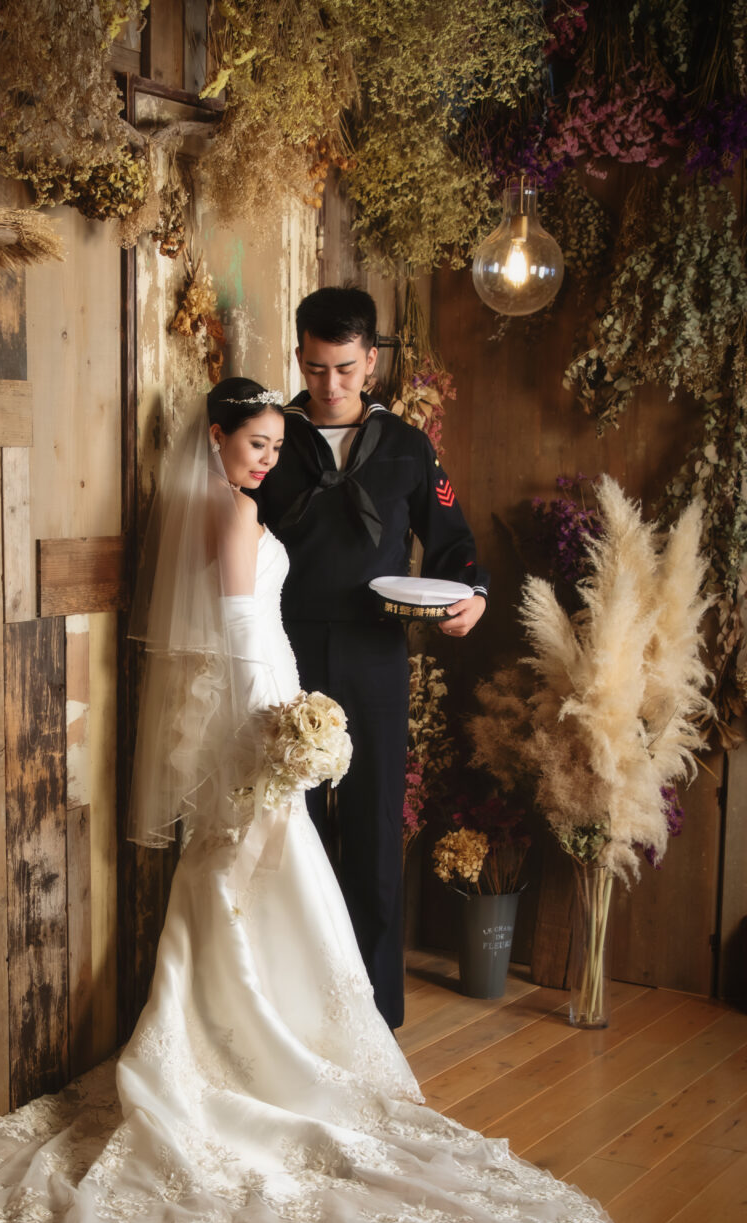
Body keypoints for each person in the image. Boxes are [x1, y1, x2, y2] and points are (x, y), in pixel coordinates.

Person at [0, 379, 629, 1223]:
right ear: (217, 439)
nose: (266, 461)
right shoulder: (235, 515)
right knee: (259, 880)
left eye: (275, 447)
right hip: (263, 701)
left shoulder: (221, 505)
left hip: (266, 695)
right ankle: (237, 1042)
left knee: (250, 886)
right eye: (255, 445)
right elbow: (243, 630)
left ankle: (248, 1030)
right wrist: (283, 733)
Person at [260, 287, 487, 1031]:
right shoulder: (271, 438)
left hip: (376, 653)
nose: (330, 385)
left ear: (371, 362)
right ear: (299, 356)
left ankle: (374, 1011)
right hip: (284, 652)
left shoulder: (407, 447)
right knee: (291, 825)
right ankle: (293, 1001)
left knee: (374, 827)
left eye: (346, 368)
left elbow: (452, 544)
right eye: (316, 368)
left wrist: (473, 596)